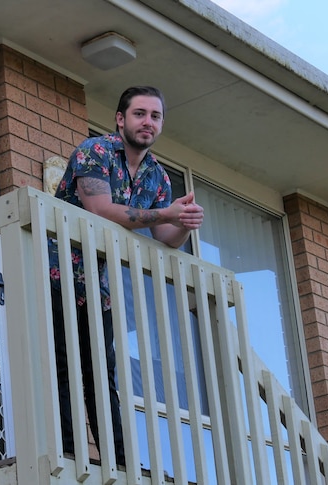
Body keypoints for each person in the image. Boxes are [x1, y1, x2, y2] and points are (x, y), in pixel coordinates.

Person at [48, 86, 204, 467]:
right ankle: (71, 454)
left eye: (155, 116)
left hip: (98, 286)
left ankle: (117, 461)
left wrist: (182, 222)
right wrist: (165, 214)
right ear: (121, 119)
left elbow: (166, 239)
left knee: (102, 373)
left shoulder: (158, 176)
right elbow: (100, 210)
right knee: (65, 365)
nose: (147, 122)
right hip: (54, 272)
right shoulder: (94, 151)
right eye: (139, 114)